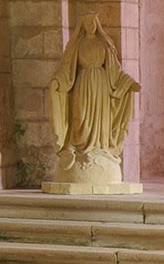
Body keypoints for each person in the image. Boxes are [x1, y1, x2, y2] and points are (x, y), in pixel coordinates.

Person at [49, 13, 139, 178]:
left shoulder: (104, 44)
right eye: (87, 23)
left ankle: (98, 146)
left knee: (99, 118)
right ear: (82, 26)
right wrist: (58, 81)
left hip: (101, 84)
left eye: (93, 23)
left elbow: (115, 70)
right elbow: (68, 67)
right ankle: (78, 147)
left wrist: (129, 83)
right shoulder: (78, 44)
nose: (90, 26)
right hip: (83, 82)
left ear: (97, 24)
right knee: (80, 115)